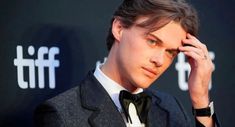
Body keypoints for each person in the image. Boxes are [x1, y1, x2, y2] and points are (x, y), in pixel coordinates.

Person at [34, 0, 220, 126]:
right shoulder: (61, 114)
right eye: (152, 41)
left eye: (171, 52)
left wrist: (200, 99)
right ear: (120, 28)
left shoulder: (170, 107)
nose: (159, 60)